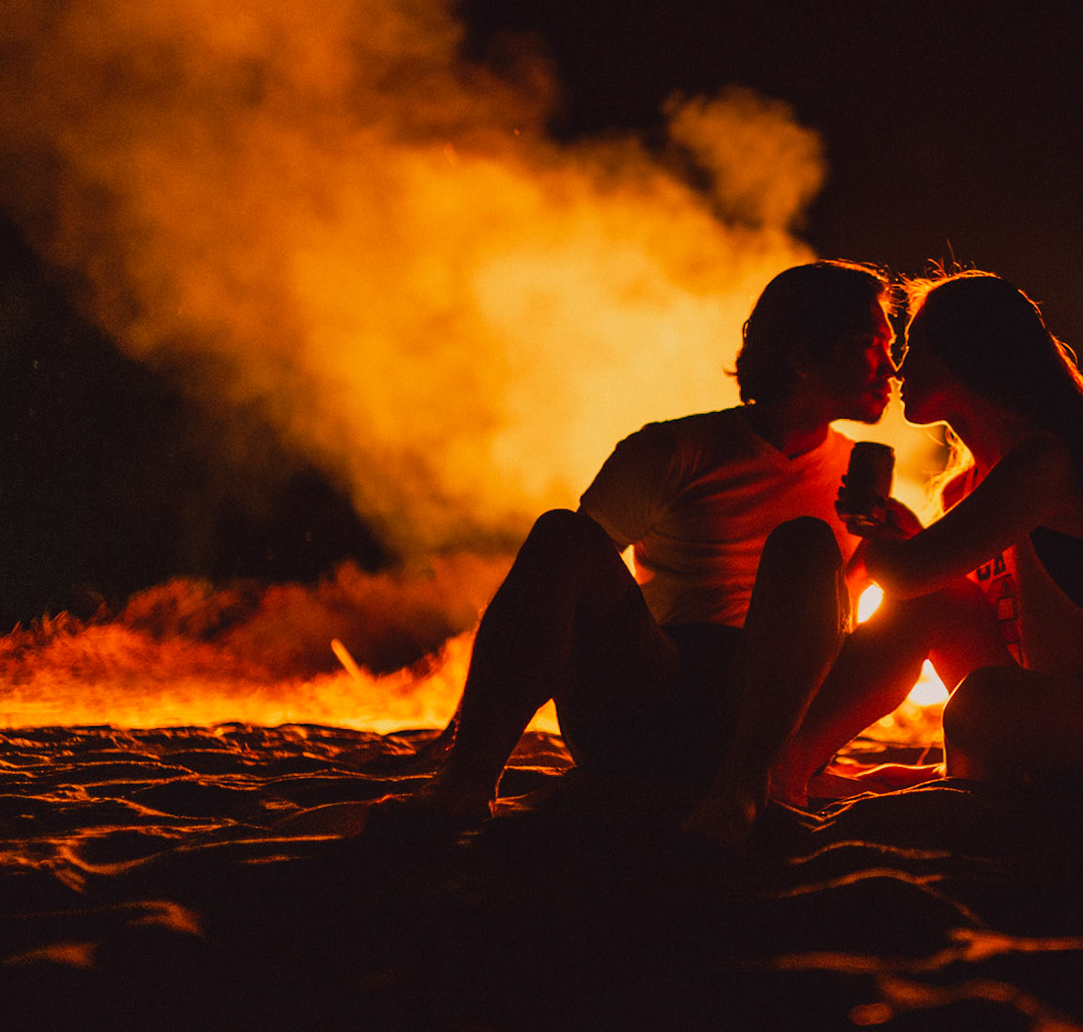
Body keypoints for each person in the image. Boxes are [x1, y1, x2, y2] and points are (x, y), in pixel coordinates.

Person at [376, 259, 897, 832]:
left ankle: (748, 786)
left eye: (891, 347)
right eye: (869, 346)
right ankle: (467, 780)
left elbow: (860, 619)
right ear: (802, 357)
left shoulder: (859, 477)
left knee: (810, 543)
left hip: (779, 722)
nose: (891, 368)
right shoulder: (674, 450)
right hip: (652, 697)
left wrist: (895, 540)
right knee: (564, 532)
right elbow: (555, 581)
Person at [756, 269, 1083, 822]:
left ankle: (805, 772)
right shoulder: (961, 489)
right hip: (1050, 714)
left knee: (980, 700)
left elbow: (906, 572)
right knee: (935, 614)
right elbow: (936, 593)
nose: (897, 368)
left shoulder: (1046, 462)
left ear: (969, 356)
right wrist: (900, 541)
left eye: (914, 348)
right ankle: (788, 767)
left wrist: (876, 537)